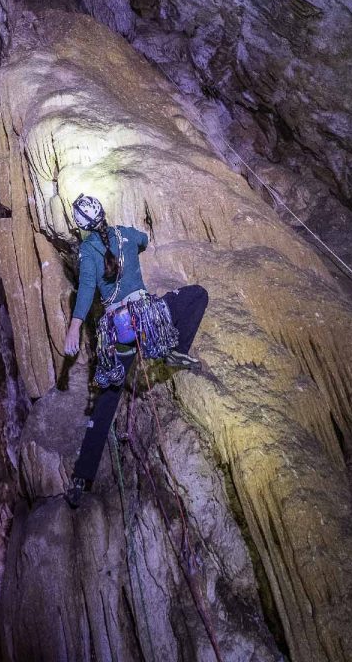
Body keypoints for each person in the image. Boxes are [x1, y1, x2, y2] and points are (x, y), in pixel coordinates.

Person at [64, 193, 209, 509]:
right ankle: (175, 348)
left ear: (81, 228)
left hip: (120, 331)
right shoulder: (124, 234)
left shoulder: (87, 253)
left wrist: (75, 326)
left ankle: (80, 479)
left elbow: (87, 290)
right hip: (149, 319)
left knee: (107, 401)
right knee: (197, 295)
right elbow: (143, 240)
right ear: (104, 214)